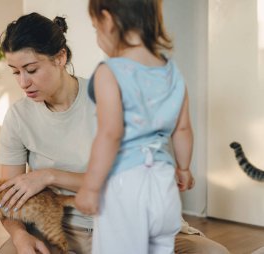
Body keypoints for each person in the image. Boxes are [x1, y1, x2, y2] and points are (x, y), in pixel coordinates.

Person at [0, 11, 229, 254]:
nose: (23, 82)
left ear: (60, 58)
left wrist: (49, 176)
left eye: (31, 69)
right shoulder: (19, 117)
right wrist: (20, 237)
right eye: (15, 72)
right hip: (56, 230)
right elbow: (7, 199)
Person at [73, 0, 223, 254]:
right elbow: (183, 128)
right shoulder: (172, 72)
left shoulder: (109, 72)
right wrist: (184, 168)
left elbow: (110, 134)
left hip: (125, 186)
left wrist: (90, 186)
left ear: (108, 21)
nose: (97, 37)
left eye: (95, 28)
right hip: (164, 185)